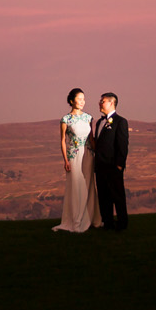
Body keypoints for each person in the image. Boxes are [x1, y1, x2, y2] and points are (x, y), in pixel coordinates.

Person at [53, 87, 99, 232]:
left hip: (88, 156)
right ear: (72, 101)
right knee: (75, 186)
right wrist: (65, 160)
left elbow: (91, 140)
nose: (82, 102)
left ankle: (92, 218)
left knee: (89, 185)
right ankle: (76, 220)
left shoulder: (88, 118)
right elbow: (62, 141)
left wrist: (98, 154)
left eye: (84, 99)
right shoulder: (65, 119)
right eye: (79, 99)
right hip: (74, 156)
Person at [91, 92, 129, 232]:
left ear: (112, 103)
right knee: (103, 196)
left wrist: (119, 165)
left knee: (117, 196)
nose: (100, 103)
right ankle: (107, 223)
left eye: (103, 101)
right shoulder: (100, 122)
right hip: (100, 167)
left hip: (113, 167)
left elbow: (123, 145)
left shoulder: (120, 121)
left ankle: (122, 224)